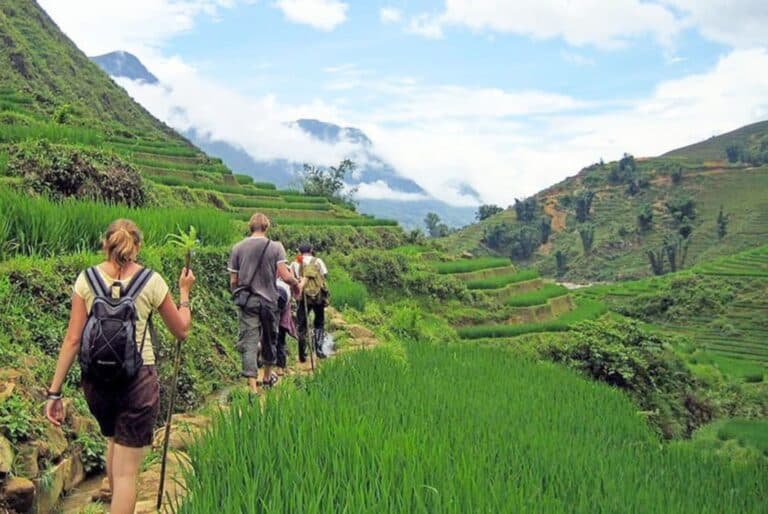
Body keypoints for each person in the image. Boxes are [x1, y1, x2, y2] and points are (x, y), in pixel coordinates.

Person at [44, 219, 195, 514]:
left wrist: (54, 392)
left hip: (97, 382)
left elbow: (73, 339)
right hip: (138, 381)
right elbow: (182, 330)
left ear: (105, 244)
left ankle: (110, 496)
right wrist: (185, 293)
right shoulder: (152, 281)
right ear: (137, 246)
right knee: (127, 475)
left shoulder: (86, 279)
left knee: (113, 438)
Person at [228, 213, 301, 393]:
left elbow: (233, 281)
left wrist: (241, 293)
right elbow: (284, 275)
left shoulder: (237, 248)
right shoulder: (276, 247)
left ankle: (252, 387)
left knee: (249, 342)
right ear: (266, 227)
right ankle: (267, 377)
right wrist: (296, 283)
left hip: (248, 302)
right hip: (269, 300)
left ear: (250, 227)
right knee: (269, 338)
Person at [291, 242, 329, 361]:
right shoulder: (318, 261)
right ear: (311, 250)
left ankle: (302, 354)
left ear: (299, 251)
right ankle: (318, 349)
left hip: (302, 297)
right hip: (317, 296)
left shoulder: (295, 263)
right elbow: (324, 275)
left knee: (302, 325)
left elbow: (294, 280)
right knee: (319, 322)